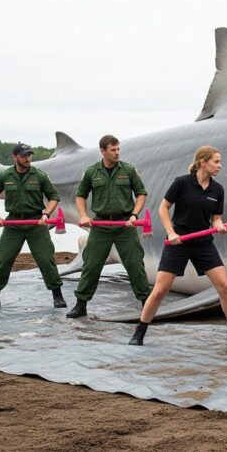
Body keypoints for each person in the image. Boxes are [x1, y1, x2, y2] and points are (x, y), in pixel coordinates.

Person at [128, 146, 227, 346]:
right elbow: (163, 208)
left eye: (220, 162)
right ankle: (140, 331)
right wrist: (171, 232)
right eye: (216, 161)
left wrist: (220, 227)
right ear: (203, 162)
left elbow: (216, 219)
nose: (220, 166)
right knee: (160, 290)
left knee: (225, 286)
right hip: (179, 241)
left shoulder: (217, 189)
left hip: (203, 243)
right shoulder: (182, 183)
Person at [67, 135, 151, 318]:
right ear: (103, 151)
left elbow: (141, 193)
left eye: (118, 149)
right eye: (113, 150)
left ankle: (146, 303)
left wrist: (134, 215)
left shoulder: (128, 170)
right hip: (101, 225)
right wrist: (83, 215)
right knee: (91, 265)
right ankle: (81, 304)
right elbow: (80, 195)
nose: (117, 153)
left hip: (124, 225)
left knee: (135, 263)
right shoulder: (91, 172)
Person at [0, 142, 66, 309]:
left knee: (46, 259)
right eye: (24, 155)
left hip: (36, 223)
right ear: (15, 157)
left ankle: (57, 296)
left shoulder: (39, 175)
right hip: (13, 224)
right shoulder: (5, 176)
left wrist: (46, 214)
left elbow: (54, 197)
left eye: (29, 155)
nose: (28, 158)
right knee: (3, 259)